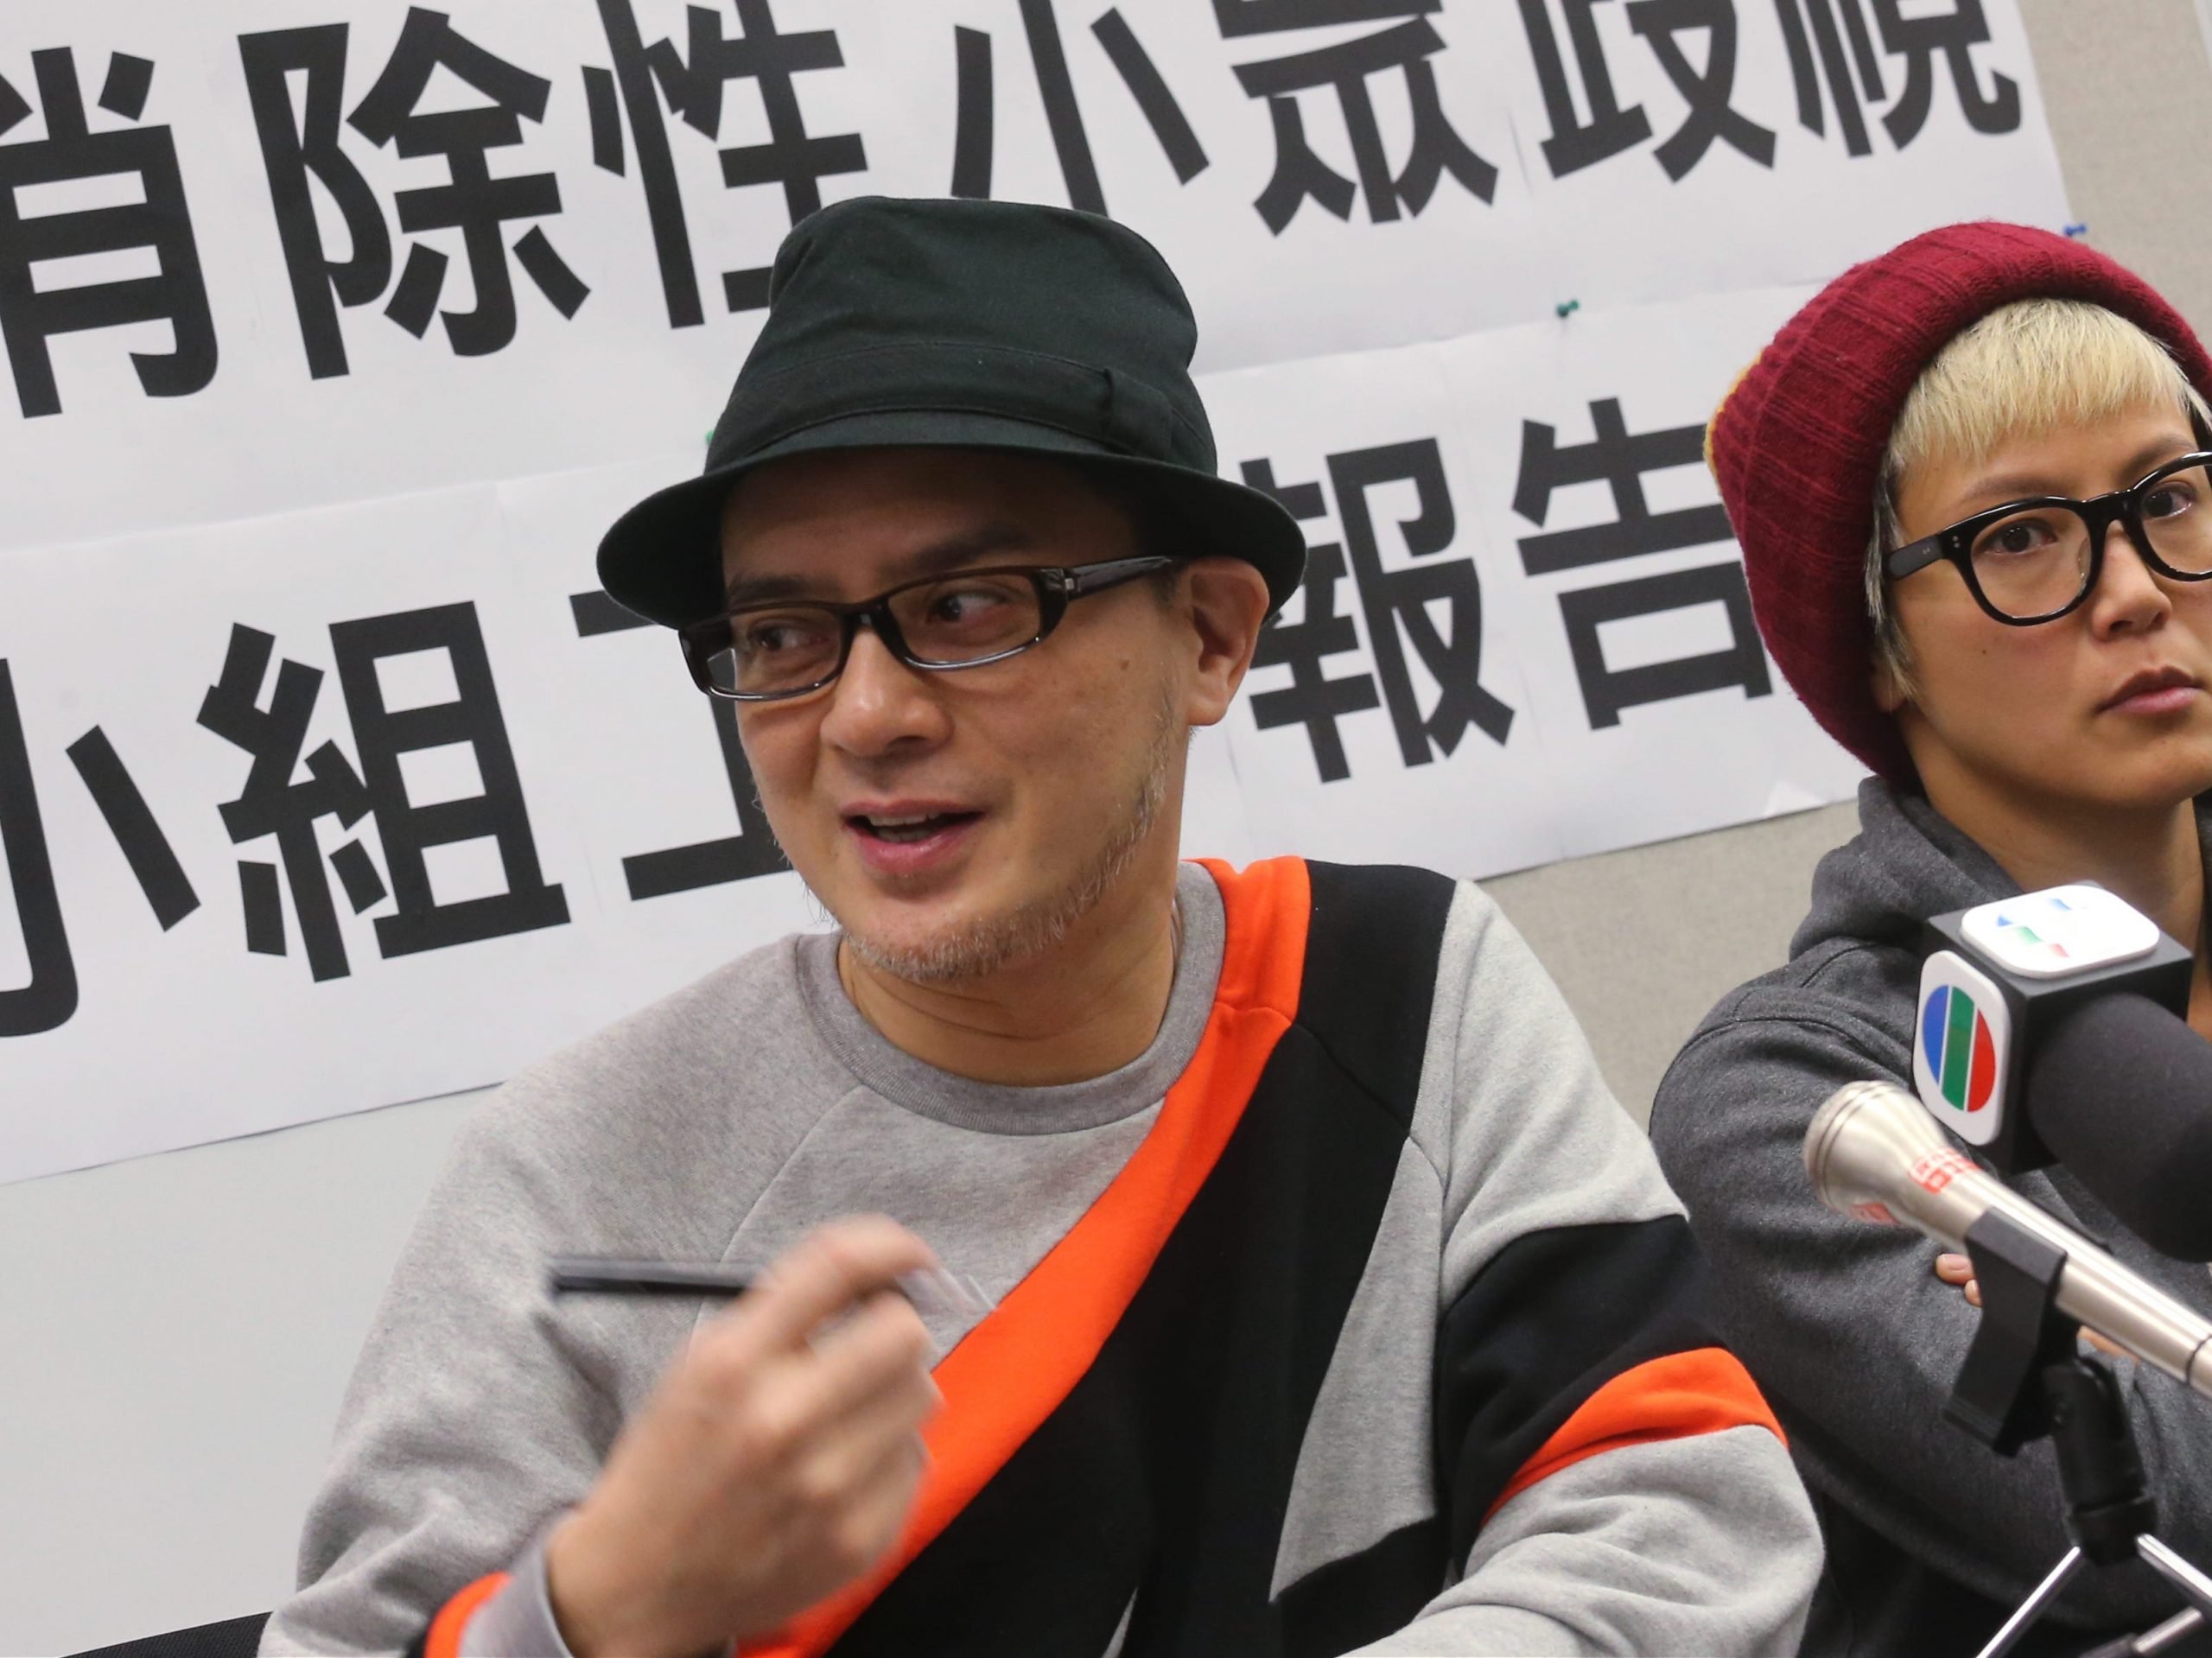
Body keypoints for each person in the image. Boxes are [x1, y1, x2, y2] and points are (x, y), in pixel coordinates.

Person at [264, 195, 1816, 1658]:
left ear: (1209, 637)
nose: (864, 716)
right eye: (785, 635)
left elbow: (1684, 1518)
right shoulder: (585, 1173)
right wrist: (600, 1613)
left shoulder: (1400, 995)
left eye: (966, 607)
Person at [1652, 221, 2212, 1657]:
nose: (2139, 585)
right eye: (2022, 536)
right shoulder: (1795, 1100)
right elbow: (2148, 1521)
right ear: (1877, 639)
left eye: (2176, 495)